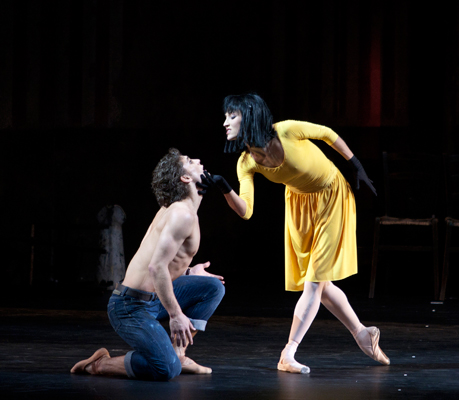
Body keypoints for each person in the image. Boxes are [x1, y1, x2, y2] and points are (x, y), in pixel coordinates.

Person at [202, 93, 389, 374]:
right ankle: (363, 334)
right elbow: (246, 211)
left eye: (232, 116)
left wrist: (356, 165)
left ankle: (287, 352)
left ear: (250, 116)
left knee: (314, 283)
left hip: (331, 195)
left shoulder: (286, 130)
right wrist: (224, 187)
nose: (225, 122)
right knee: (320, 285)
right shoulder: (246, 162)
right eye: (225, 116)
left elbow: (326, 134)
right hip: (300, 205)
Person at [70, 148, 225, 381]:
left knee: (212, 288)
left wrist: (192, 271)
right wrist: (175, 315)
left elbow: (166, 261)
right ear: (184, 179)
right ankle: (101, 364)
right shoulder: (181, 214)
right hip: (130, 306)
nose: (199, 161)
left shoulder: (183, 209)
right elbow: (156, 267)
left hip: (154, 298)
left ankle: (178, 355)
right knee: (165, 370)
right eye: (191, 161)